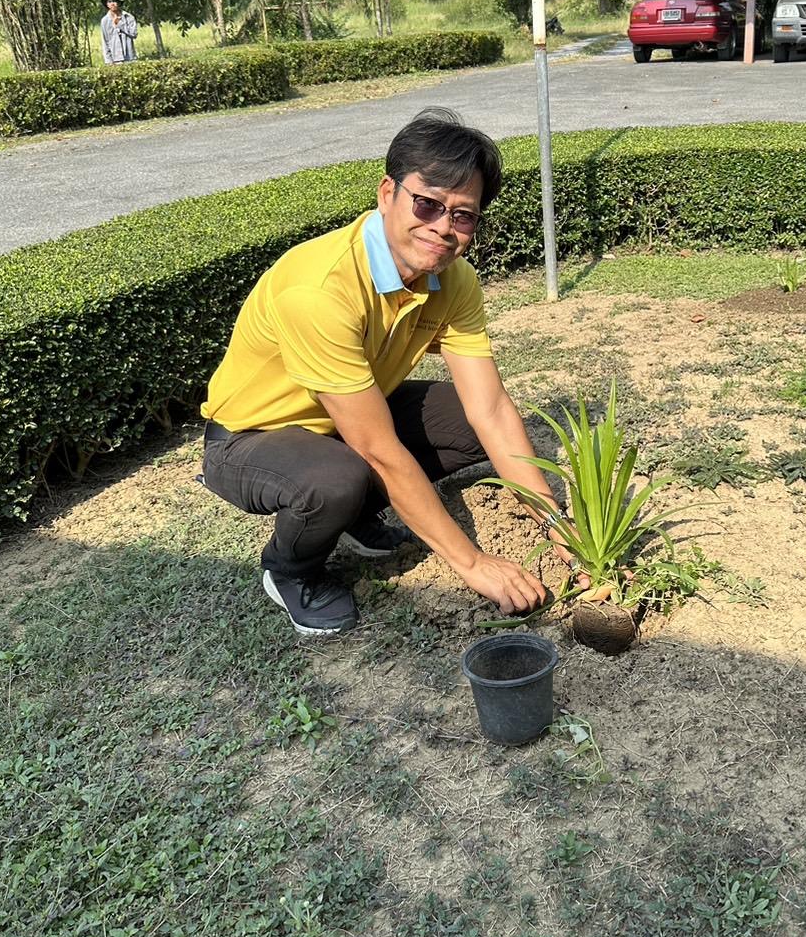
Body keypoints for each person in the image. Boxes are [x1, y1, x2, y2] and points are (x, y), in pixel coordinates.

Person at [201, 108, 572, 637]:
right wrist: (472, 563)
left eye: (462, 215)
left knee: (468, 423)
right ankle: (289, 571)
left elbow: (489, 407)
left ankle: (354, 513)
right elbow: (375, 447)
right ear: (387, 193)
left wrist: (555, 526)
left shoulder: (453, 279)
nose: (442, 228)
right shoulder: (320, 289)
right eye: (427, 204)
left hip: (345, 418)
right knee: (337, 478)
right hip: (250, 438)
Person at [99, 0, 138, 65]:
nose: (112, 4)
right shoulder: (105, 21)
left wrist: (119, 24)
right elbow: (105, 41)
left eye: (114, 1)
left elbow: (134, 34)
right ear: (107, 5)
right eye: (109, 2)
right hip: (115, 59)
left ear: (118, 3)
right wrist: (108, 61)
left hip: (129, 57)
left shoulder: (128, 17)